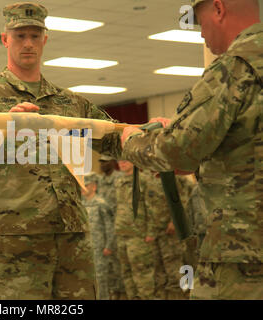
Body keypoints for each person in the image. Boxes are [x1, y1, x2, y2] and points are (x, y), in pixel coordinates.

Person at [0, 2, 123, 299]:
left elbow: (116, 136)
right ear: (5, 39)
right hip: (16, 242)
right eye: (20, 35)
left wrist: (152, 131)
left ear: (45, 40)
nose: (28, 43)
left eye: (35, 36)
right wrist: (0, 125)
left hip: (71, 238)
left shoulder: (71, 103)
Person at [121, 0, 262, 299]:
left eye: (199, 22)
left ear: (219, 9)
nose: (200, 35)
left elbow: (177, 150)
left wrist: (132, 141)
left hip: (240, 254)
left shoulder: (233, 69)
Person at [140, 170, 193, 300]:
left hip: (172, 232)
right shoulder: (147, 177)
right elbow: (148, 206)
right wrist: (149, 231)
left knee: (176, 269)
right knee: (159, 274)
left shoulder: (171, 172)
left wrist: (174, 221)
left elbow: (182, 198)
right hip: (156, 230)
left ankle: (185, 296)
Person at [114, 161, 158, 300]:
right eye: (119, 160)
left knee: (142, 275)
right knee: (126, 274)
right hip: (122, 234)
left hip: (138, 235)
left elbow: (152, 207)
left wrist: (151, 232)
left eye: (126, 160)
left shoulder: (144, 179)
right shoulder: (119, 181)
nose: (122, 163)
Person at [81, 173, 116, 300]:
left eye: (86, 185)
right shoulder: (82, 204)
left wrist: (109, 246)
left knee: (101, 280)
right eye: (82, 186)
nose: (83, 188)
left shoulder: (101, 203)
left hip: (100, 249)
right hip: (87, 249)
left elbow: (110, 226)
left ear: (94, 187)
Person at [96, 154, 125, 299]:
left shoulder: (120, 178)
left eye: (105, 162)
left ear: (113, 163)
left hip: (119, 225)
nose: (102, 165)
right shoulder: (99, 180)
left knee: (118, 264)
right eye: (100, 162)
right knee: (106, 266)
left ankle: (121, 294)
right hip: (103, 227)